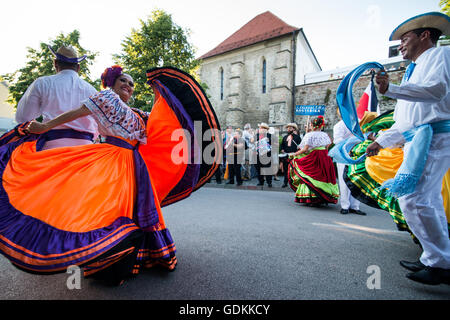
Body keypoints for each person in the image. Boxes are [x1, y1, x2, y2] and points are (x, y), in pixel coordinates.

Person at [0, 65, 221, 285]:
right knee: (109, 212)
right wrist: (46, 125)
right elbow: (77, 112)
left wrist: (166, 94)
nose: (128, 85)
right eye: (123, 81)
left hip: (135, 167)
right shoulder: (106, 98)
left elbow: (161, 124)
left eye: (132, 84)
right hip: (110, 163)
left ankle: (134, 256)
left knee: (133, 210)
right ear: (112, 83)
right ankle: (108, 263)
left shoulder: (139, 114)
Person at [366, 12, 450, 285]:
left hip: (434, 139)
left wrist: (391, 89)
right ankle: (435, 256)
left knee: (412, 199)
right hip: (420, 140)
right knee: (429, 200)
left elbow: (436, 91)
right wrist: (382, 141)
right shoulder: (414, 70)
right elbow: (407, 118)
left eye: (405, 38)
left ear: (425, 35)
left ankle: (440, 262)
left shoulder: (440, 56)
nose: (401, 45)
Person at [15, 45, 98, 150]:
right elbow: (99, 125)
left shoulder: (43, 83)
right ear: (78, 67)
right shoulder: (93, 91)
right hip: (86, 150)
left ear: (55, 63)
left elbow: (23, 118)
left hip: (51, 148)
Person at [288, 116, 339, 206]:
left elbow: (305, 149)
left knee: (311, 176)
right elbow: (327, 146)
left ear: (311, 125)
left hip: (314, 156)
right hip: (324, 157)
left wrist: (295, 154)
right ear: (321, 125)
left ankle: (312, 197)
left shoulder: (309, 135)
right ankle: (324, 196)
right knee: (323, 175)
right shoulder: (325, 135)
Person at [333, 110, 365, 215]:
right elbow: (338, 140)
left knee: (357, 180)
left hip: (358, 155)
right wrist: (352, 140)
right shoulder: (339, 126)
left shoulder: (359, 122)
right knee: (344, 181)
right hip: (344, 156)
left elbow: (365, 135)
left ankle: (355, 206)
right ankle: (345, 205)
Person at [280, 123, 302, 188]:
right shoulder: (285, 137)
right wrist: (282, 149)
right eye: (288, 128)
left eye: (290, 128)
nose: (288, 129)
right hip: (286, 155)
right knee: (286, 170)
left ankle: (295, 183)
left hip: (294, 155)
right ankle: (285, 182)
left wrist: (299, 148)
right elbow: (282, 145)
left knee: (294, 170)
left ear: (293, 129)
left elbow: (300, 146)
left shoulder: (297, 137)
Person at [253, 122, 273, 187]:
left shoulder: (270, 136)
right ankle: (261, 181)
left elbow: (274, 145)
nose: (260, 129)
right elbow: (254, 144)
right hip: (257, 155)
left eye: (261, 128)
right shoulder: (257, 135)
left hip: (266, 155)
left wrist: (269, 142)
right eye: (260, 128)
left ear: (265, 129)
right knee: (259, 169)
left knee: (267, 169)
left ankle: (269, 182)